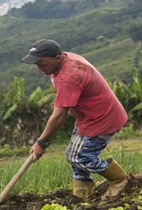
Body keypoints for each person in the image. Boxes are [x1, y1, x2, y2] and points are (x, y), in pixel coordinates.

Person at [20, 38, 129, 200]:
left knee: (78, 157)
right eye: (37, 65)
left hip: (101, 118)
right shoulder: (65, 59)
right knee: (75, 155)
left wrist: (41, 143)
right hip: (88, 116)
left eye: (42, 64)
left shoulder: (69, 76)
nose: (39, 69)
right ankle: (82, 195)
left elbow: (59, 116)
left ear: (57, 58)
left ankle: (119, 179)